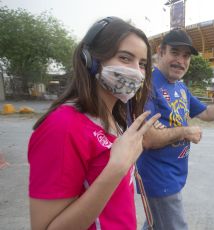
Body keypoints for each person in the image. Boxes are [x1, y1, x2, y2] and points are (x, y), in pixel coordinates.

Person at [28, 17, 160, 230]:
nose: (137, 71)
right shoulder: (62, 126)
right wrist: (116, 168)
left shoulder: (114, 118)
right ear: (90, 59)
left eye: (143, 64)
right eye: (125, 58)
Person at [137, 29, 214, 230]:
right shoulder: (147, 85)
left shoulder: (180, 87)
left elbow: (207, 113)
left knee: (156, 224)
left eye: (186, 56)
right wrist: (185, 131)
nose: (181, 60)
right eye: (175, 52)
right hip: (158, 177)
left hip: (175, 173)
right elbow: (147, 138)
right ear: (161, 51)